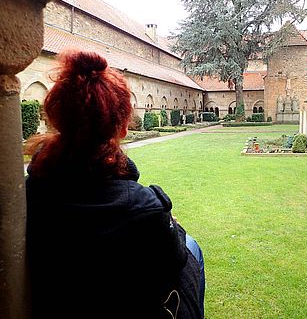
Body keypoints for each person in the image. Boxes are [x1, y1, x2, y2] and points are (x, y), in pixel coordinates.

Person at [25, 50, 204, 319]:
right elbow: (174, 260)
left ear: (55, 118)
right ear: (122, 128)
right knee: (192, 249)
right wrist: (171, 225)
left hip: (58, 304)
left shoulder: (30, 191)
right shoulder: (142, 204)